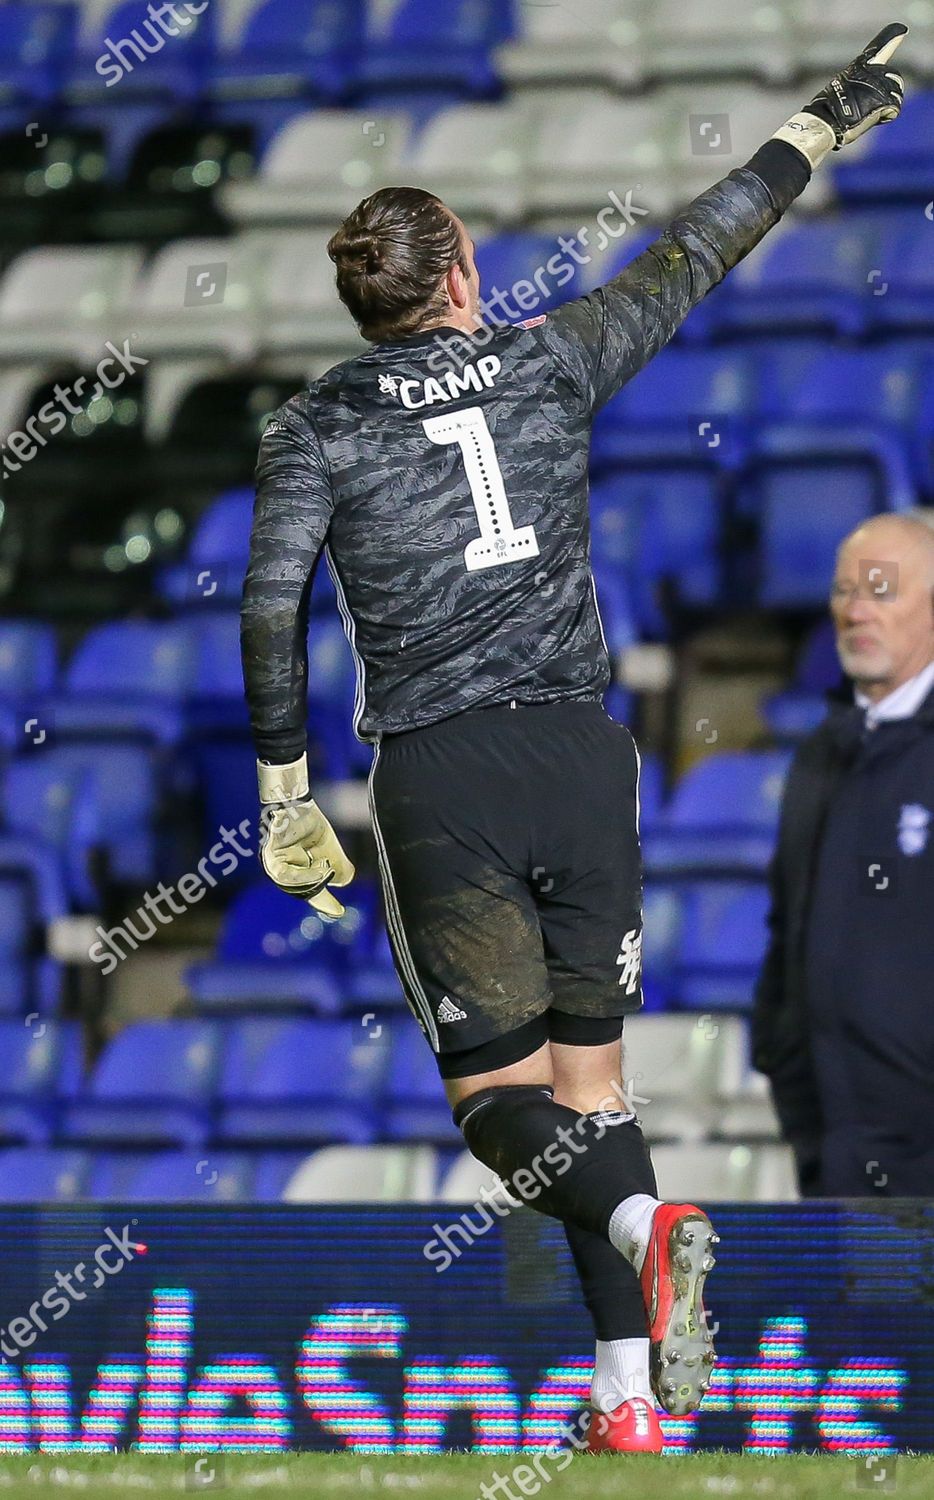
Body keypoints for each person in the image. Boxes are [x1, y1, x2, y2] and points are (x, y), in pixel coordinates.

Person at [241, 28, 907, 1453]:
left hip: (443, 769)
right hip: (581, 759)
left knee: (496, 1102)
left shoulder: (314, 426)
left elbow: (267, 600)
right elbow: (696, 251)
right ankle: (625, 1400)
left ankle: (642, 1220)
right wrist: (814, 123)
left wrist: (284, 785)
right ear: (463, 280)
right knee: (593, 1088)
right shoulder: (547, 363)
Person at [754, 513, 934, 1198]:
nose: (855, 609)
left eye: (881, 589)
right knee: (850, 1307)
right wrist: (780, 1054)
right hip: (828, 1147)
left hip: (920, 1156)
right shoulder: (818, 755)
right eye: (843, 591)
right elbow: (785, 930)